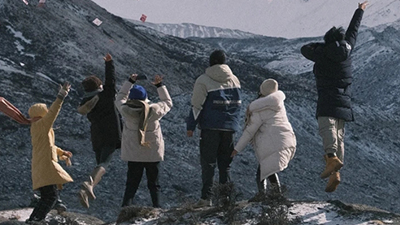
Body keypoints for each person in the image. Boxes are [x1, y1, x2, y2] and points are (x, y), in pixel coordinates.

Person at [300, 1, 367, 193]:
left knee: (326, 128)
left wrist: (323, 45)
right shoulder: (348, 49)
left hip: (327, 97)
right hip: (344, 100)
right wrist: (360, 11)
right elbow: (353, 31)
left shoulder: (322, 54)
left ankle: (331, 158)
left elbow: (305, 49)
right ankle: (335, 174)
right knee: (339, 135)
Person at [0, 83, 73, 223]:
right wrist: (61, 96)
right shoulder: (42, 125)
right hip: (46, 167)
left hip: (42, 167)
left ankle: (34, 219)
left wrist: (61, 152)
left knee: (48, 197)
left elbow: (48, 146)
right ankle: (35, 220)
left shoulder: (37, 127)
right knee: (51, 197)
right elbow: (54, 112)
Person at [186, 50, 243, 205]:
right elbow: (238, 104)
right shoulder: (235, 80)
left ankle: (206, 199)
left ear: (210, 62)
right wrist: (234, 123)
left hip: (210, 127)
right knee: (225, 166)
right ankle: (226, 198)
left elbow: (196, 105)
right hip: (230, 128)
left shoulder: (203, 80)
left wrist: (190, 126)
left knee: (208, 164)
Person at [232, 79, 296, 200]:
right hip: (287, 139)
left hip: (272, 143)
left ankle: (265, 196)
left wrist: (237, 149)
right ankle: (276, 195)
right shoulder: (278, 105)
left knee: (263, 173)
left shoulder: (260, 110)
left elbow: (249, 132)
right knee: (268, 170)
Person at [116, 74, 173, 208]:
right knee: (154, 184)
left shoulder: (125, 110)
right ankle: (157, 209)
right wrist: (160, 85)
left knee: (131, 185)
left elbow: (120, 97)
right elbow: (167, 102)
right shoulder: (155, 111)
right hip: (152, 154)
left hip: (134, 154)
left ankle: (125, 209)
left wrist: (129, 81)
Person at [77, 53, 123, 208]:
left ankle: (89, 188)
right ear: (99, 86)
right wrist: (109, 63)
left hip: (96, 137)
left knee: (99, 165)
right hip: (111, 135)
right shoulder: (106, 96)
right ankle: (88, 185)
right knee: (105, 162)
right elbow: (111, 80)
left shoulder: (85, 102)